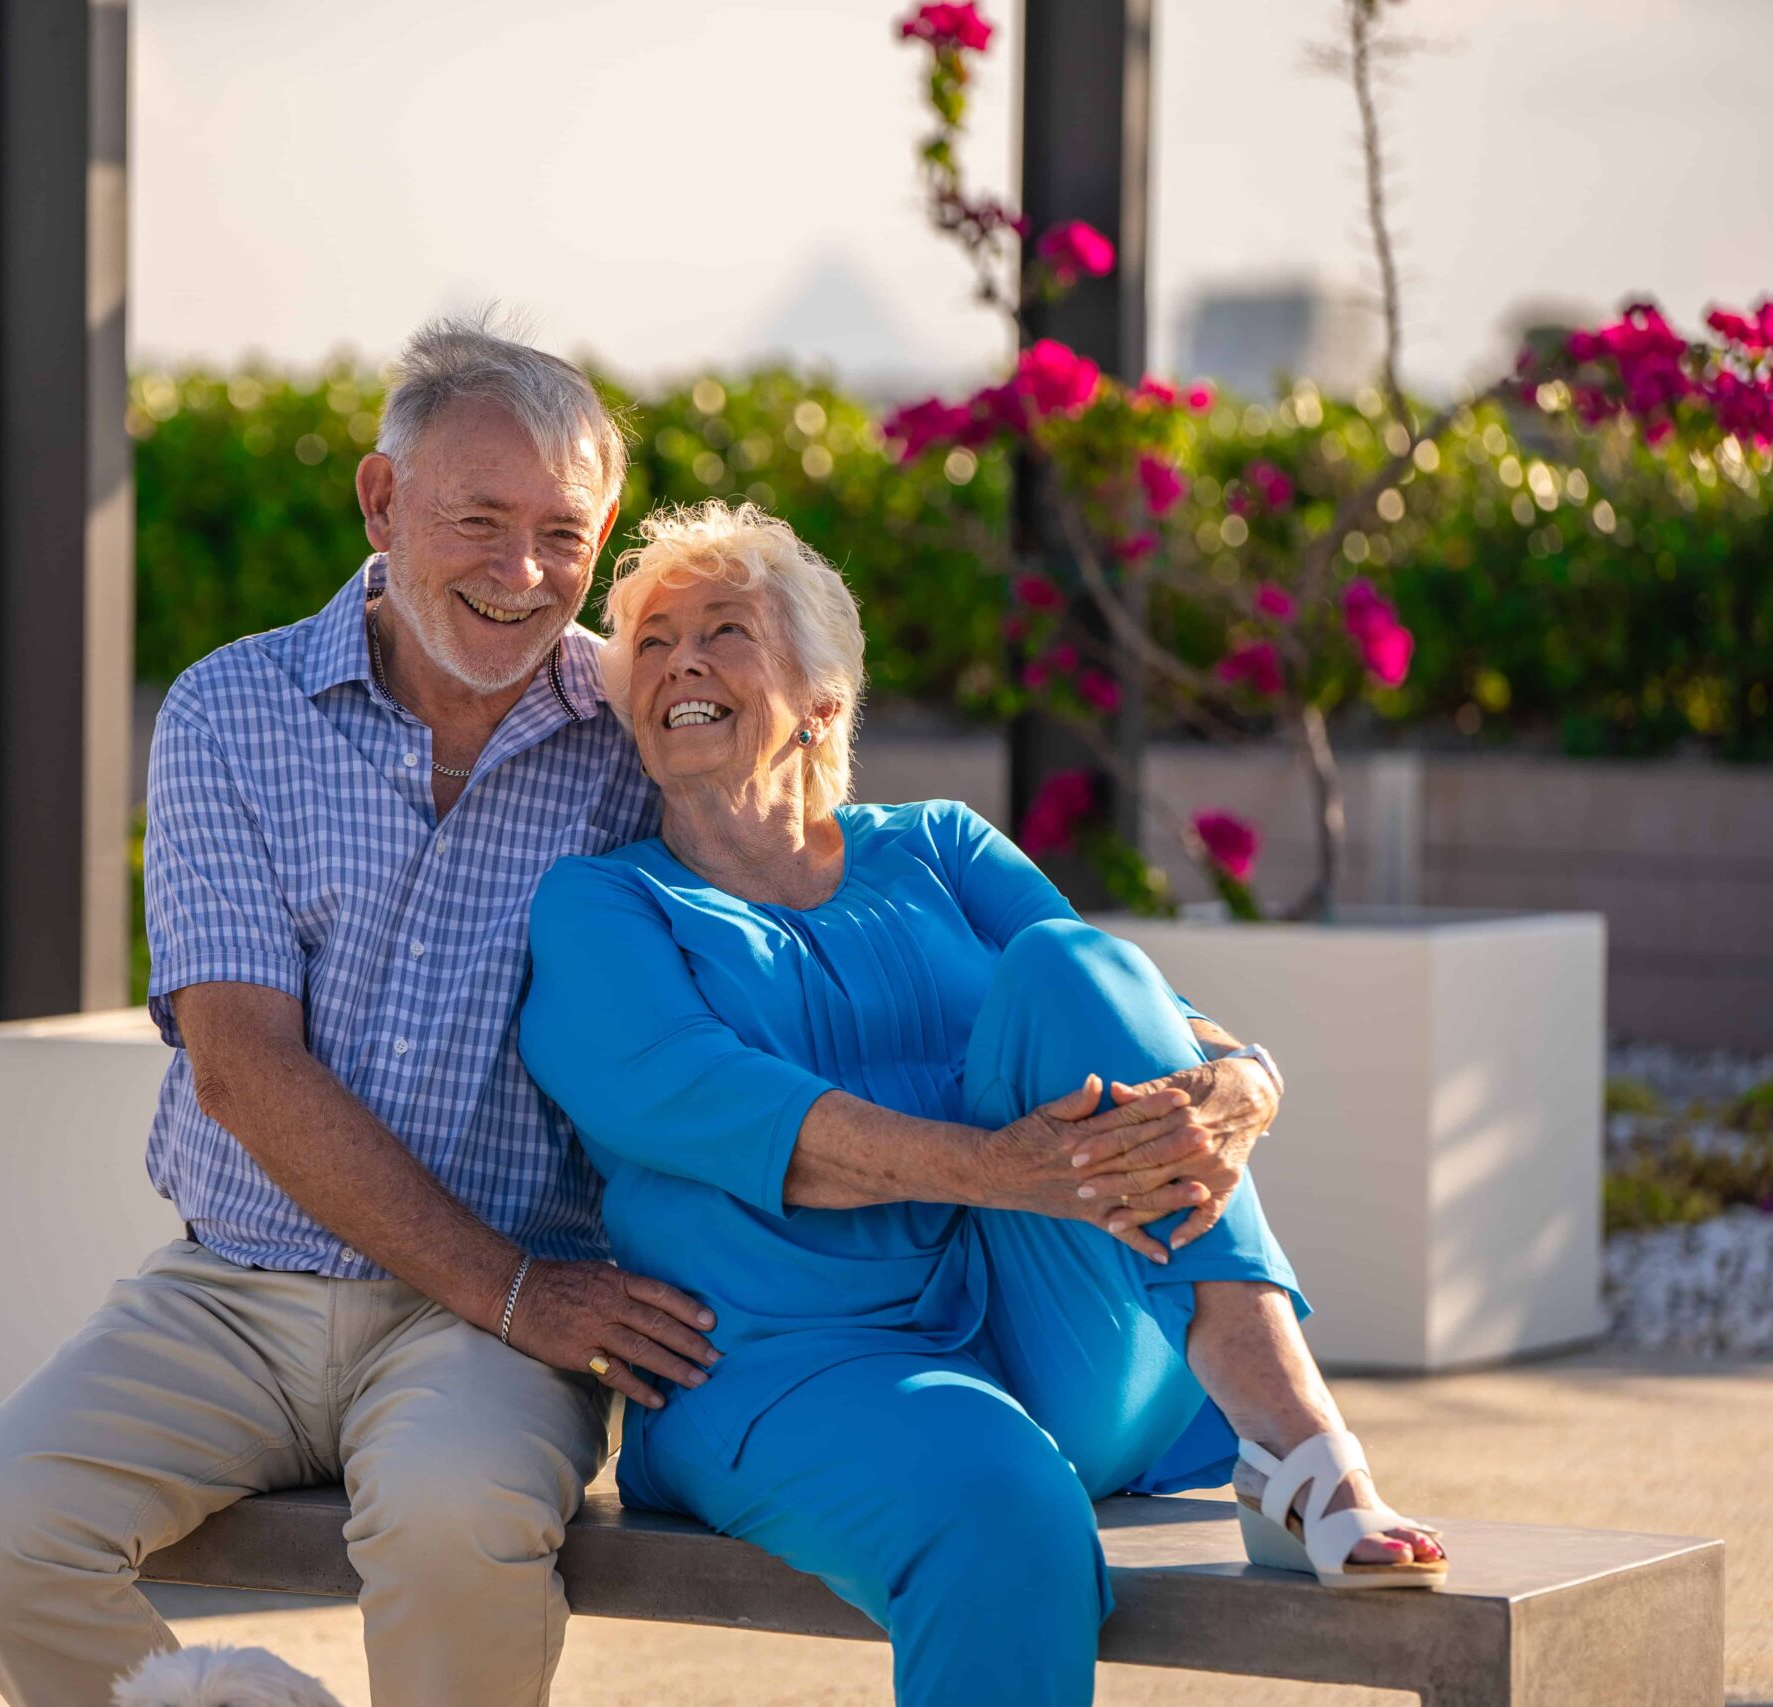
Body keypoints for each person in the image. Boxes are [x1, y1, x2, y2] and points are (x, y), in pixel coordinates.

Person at [0, 322, 724, 1706]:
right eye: (478, 518)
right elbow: (238, 1067)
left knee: (457, 1523)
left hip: (479, 1334)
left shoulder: (634, 730)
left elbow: (815, 896)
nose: (522, 574)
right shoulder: (233, 708)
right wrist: (518, 1289)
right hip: (234, 1290)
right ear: (380, 500)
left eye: (563, 535)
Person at [519, 500, 1448, 1707]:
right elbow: (729, 1106)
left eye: (725, 630)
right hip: (785, 1370)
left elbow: (1135, 1007)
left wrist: (1248, 1080)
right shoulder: (602, 908)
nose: (681, 660)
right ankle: (1271, 1456)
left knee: (1073, 967)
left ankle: (1288, 1427)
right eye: (651, 642)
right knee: (999, 1504)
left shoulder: (940, 849)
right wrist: (1003, 1168)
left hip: (1048, 1335)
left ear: (823, 702)